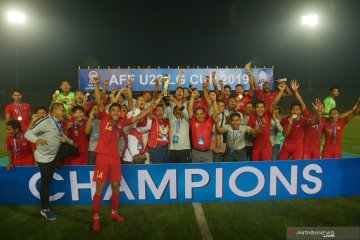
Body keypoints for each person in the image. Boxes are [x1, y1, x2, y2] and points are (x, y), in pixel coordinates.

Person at [91, 77, 156, 231]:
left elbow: (139, 117)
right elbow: (99, 101)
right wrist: (96, 84)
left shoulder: (122, 122)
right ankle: (96, 217)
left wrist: (151, 107)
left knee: (115, 187)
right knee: (99, 189)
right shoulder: (104, 117)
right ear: (109, 111)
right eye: (112, 109)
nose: (115, 112)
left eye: (117, 110)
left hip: (115, 159)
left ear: (120, 112)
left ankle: (114, 212)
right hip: (102, 157)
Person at [25, 103, 78, 220]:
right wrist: (37, 139)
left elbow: (60, 134)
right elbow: (28, 133)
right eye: (61, 110)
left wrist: (70, 141)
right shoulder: (45, 122)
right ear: (53, 112)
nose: (64, 112)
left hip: (56, 153)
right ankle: (45, 209)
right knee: (46, 184)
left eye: (64, 110)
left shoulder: (58, 122)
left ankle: (56, 163)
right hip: (45, 158)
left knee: (75, 150)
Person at [278, 80, 322, 160]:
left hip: (298, 146)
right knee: (281, 164)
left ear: (300, 111)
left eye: (297, 109)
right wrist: (289, 124)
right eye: (293, 109)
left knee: (296, 165)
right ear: (290, 111)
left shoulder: (303, 120)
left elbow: (317, 122)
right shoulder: (284, 119)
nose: (295, 111)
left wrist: (318, 112)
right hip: (286, 145)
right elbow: (285, 135)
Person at [247, 83, 285, 161]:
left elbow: (274, 104)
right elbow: (252, 132)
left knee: (266, 168)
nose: (260, 109)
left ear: (264, 109)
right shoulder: (252, 116)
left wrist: (281, 91)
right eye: (257, 107)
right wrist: (261, 127)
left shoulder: (267, 114)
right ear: (254, 109)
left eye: (262, 107)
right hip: (256, 147)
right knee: (256, 168)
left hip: (266, 147)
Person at [188, 90, 217, 163]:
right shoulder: (193, 121)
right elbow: (189, 109)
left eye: (201, 114)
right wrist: (192, 97)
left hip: (208, 152)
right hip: (196, 152)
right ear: (195, 115)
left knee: (209, 171)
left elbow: (216, 112)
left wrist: (214, 100)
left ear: (204, 114)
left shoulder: (209, 121)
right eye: (197, 114)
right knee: (195, 171)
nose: (199, 116)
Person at [165, 99, 191, 163]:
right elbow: (168, 111)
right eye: (175, 110)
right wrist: (166, 101)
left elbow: (185, 112)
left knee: (185, 169)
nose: (177, 111)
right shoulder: (172, 119)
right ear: (173, 112)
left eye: (179, 110)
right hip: (173, 149)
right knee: (174, 169)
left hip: (185, 149)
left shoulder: (186, 120)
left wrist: (175, 101)